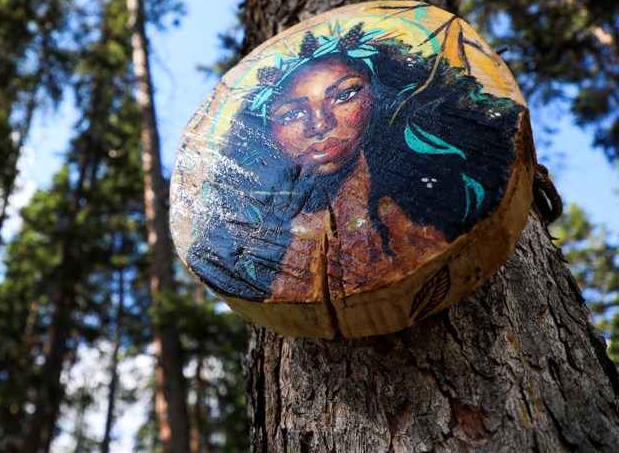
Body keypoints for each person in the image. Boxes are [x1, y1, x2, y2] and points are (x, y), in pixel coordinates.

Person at [184, 21, 524, 303]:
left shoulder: (438, 194)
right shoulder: (253, 240)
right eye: (291, 113)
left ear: (380, 96)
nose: (319, 124)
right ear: (266, 132)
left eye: (345, 95)